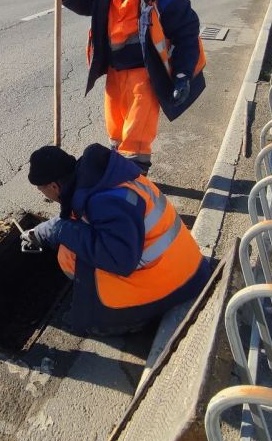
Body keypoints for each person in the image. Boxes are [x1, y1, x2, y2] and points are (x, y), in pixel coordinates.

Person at [48, 0, 205, 174]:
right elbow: (89, 2)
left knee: (136, 134)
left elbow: (187, 31)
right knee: (116, 128)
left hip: (146, 71)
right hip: (116, 68)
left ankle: (133, 180)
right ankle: (119, 170)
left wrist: (183, 74)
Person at [23, 143, 211, 335]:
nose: (45, 195)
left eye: (42, 190)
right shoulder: (101, 180)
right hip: (184, 264)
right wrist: (41, 232)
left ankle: (123, 319)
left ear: (54, 186)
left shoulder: (105, 202)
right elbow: (73, 218)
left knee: (70, 256)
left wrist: (61, 230)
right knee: (75, 238)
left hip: (178, 284)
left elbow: (120, 260)